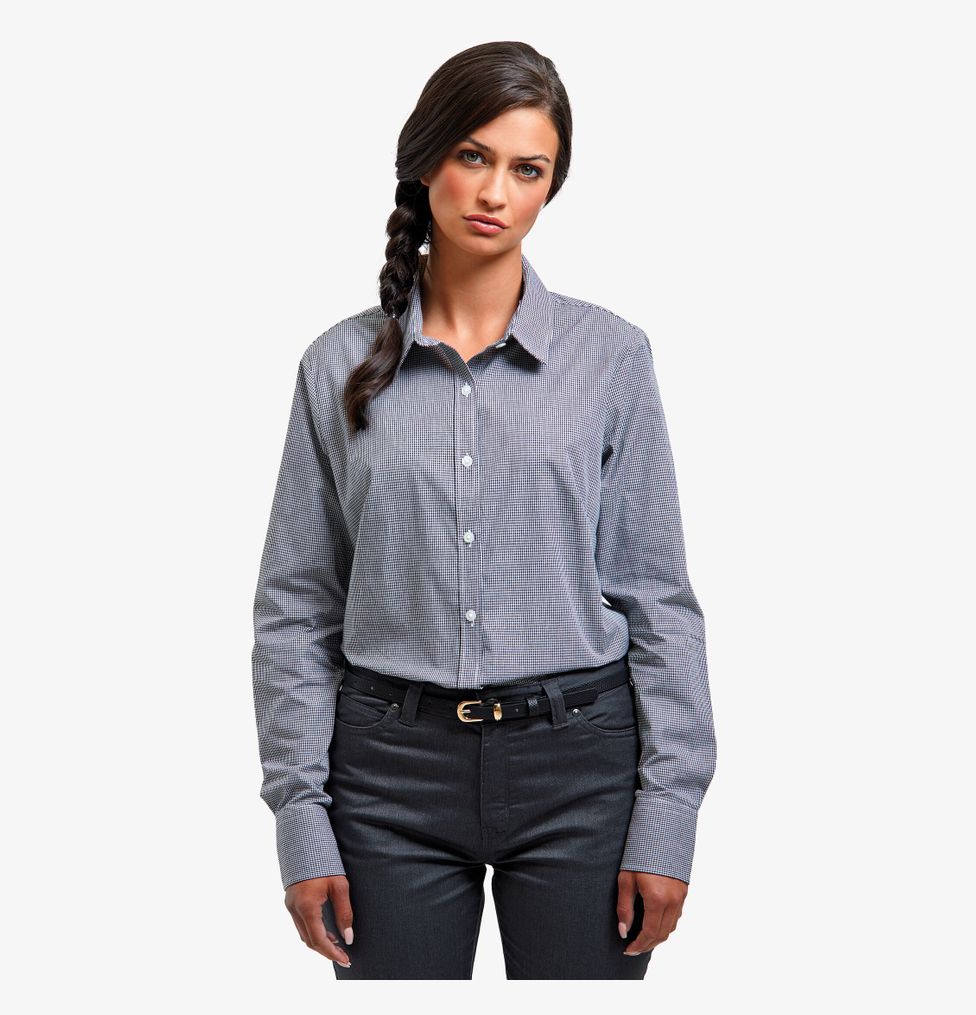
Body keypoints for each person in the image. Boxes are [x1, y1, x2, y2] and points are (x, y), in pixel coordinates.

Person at [250, 40, 717, 980]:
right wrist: (301, 817)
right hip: (386, 777)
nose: (494, 192)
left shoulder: (610, 357)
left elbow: (658, 599)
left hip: (581, 770)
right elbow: (296, 606)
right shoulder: (334, 364)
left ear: (550, 187)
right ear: (425, 161)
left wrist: (668, 816)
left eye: (526, 169)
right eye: (472, 156)